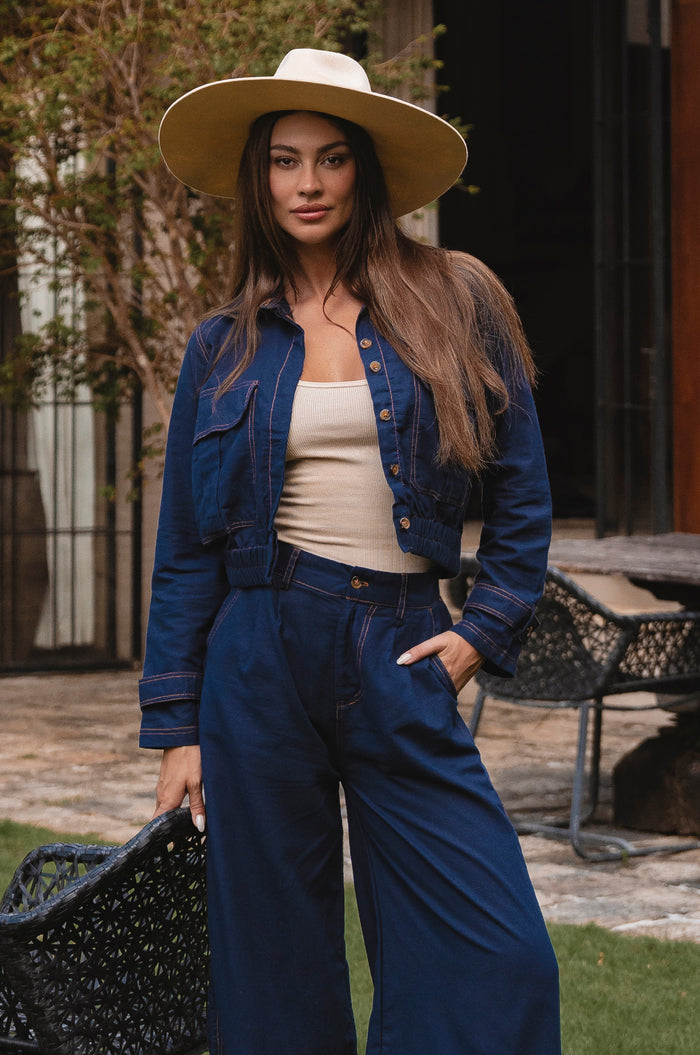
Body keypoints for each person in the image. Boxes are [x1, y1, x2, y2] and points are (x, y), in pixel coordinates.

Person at [140, 47, 561, 1055]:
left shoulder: (454, 300)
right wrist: (176, 727)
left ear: (364, 171)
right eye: (285, 160)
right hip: (256, 652)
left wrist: (479, 634)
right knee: (271, 963)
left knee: (497, 951)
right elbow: (187, 548)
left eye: (331, 158)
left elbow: (522, 497)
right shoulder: (223, 343)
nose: (308, 182)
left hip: (400, 645)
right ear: (260, 177)